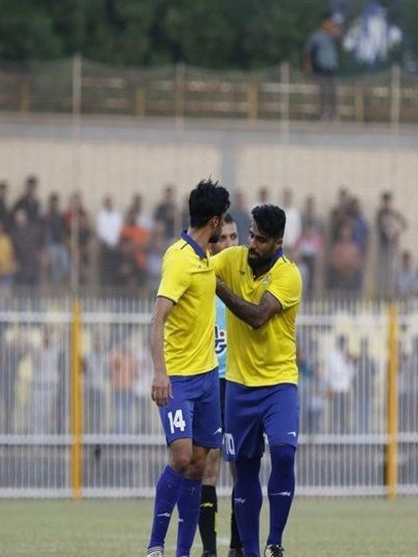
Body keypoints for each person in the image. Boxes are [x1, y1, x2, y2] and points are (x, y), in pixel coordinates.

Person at [147, 179, 230, 557]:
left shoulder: (206, 259)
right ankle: (155, 545)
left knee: (198, 466)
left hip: (208, 378)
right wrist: (160, 372)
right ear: (213, 221)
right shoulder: (179, 259)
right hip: (178, 379)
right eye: (222, 222)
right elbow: (157, 319)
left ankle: (182, 552)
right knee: (181, 458)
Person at [214, 204, 303, 557]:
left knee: (283, 454)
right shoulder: (232, 259)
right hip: (239, 385)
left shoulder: (288, 275)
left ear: (278, 242)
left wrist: (219, 289)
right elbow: (198, 268)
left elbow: (256, 317)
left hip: (279, 383)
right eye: (251, 235)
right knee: (244, 467)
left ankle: (274, 542)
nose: (252, 244)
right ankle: (250, 551)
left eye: (261, 240)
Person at [199, 214, 242, 557]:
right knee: (209, 463)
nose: (228, 243)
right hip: (211, 379)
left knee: (241, 464)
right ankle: (210, 550)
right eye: (222, 238)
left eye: (233, 237)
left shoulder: (246, 280)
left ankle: (238, 546)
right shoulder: (202, 280)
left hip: (240, 381)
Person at [303, 12, 341, 121]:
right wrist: (307, 64)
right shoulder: (316, 35)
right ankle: (324, 113)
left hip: (332, 67)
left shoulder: (332, 36)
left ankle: (333, 114)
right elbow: (307, 49)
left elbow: (341, 36)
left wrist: (334, 30)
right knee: (323, 91)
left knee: (333, 91)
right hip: (321, 67)